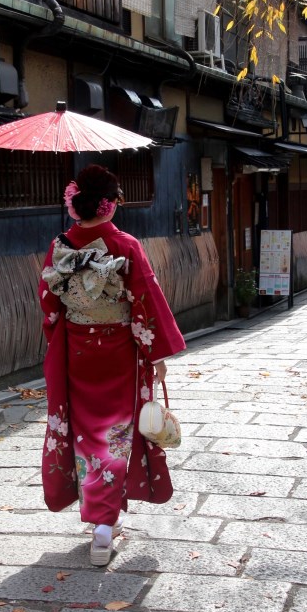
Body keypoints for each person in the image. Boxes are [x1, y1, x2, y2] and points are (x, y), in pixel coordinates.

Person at [38, 165, 186, 567]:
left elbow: (49, 306)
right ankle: (103, 529)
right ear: (110, 204)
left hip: (76, 353)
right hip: (120, 351)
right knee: (115, 435)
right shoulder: (124, 244)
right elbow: (145, 302)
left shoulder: (60, 245)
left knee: (88, 435)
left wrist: (63, 339)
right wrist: (154, 355)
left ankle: (103, 517)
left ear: (77, 205)